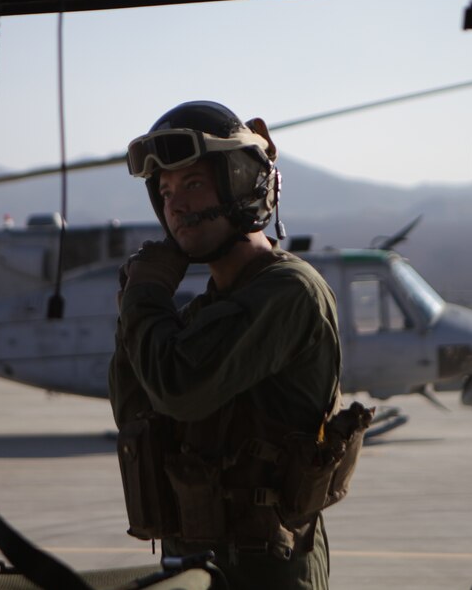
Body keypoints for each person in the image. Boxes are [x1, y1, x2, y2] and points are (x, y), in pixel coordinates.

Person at [109, 101, 365, 590]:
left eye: (193, 184)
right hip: (197, 568)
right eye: (165, 192)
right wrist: (135, 310)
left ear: (241, 184)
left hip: (268, 571)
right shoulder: (198, 316)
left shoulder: (290, 292)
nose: (175, 205)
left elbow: (178, 387)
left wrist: (145, 300)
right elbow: (135, 412)